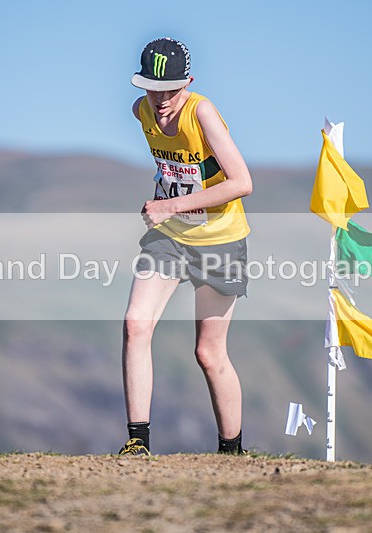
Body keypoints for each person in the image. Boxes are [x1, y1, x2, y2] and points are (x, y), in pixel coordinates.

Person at [119, 37, 252, 456]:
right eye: (151, 88)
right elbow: (174, 166)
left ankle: (232, 453)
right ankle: (137, 443)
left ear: (188, 82)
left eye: (170, 90)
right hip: (171, 237)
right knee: (135, 325)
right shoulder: (142, 111)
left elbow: (242, 183)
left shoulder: (202, 113)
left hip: (221, 242)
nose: (160, 100)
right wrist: (169, 208)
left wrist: (171, 203)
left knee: (208, 353)